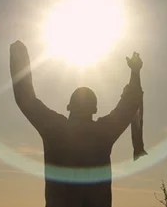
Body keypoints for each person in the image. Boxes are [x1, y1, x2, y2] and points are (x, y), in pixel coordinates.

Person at [9, 40, 145, 207]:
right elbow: (129, 105)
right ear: (94, 110)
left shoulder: (54, 129)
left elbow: (26, 100)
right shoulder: (104, 132)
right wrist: (135, 72)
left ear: (69, 107)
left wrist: (19, 57)